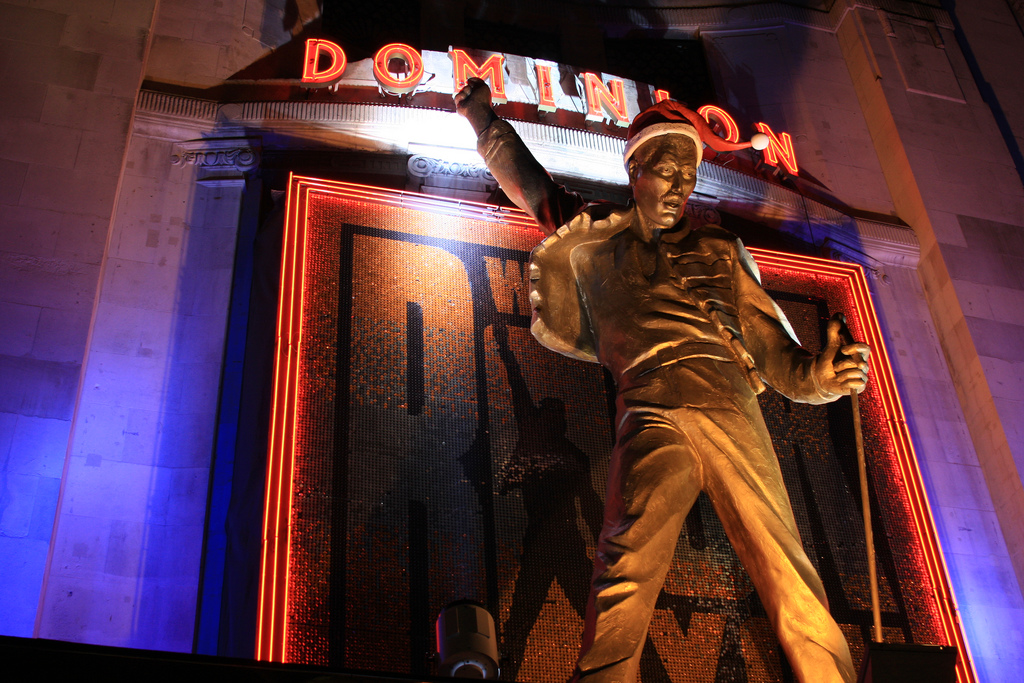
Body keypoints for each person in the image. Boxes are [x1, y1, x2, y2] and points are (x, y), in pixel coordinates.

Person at [455, 78, 870, 683]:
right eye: (668, 172)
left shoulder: (721, 248)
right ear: (636, 170)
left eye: (689, 176)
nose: (680, 188)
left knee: (786, 566)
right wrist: (483, 122)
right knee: (626, 564)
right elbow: (532, 187)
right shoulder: (596, 236)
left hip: (729, 402)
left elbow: (778, 356)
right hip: (649, 406)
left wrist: (823, 376)